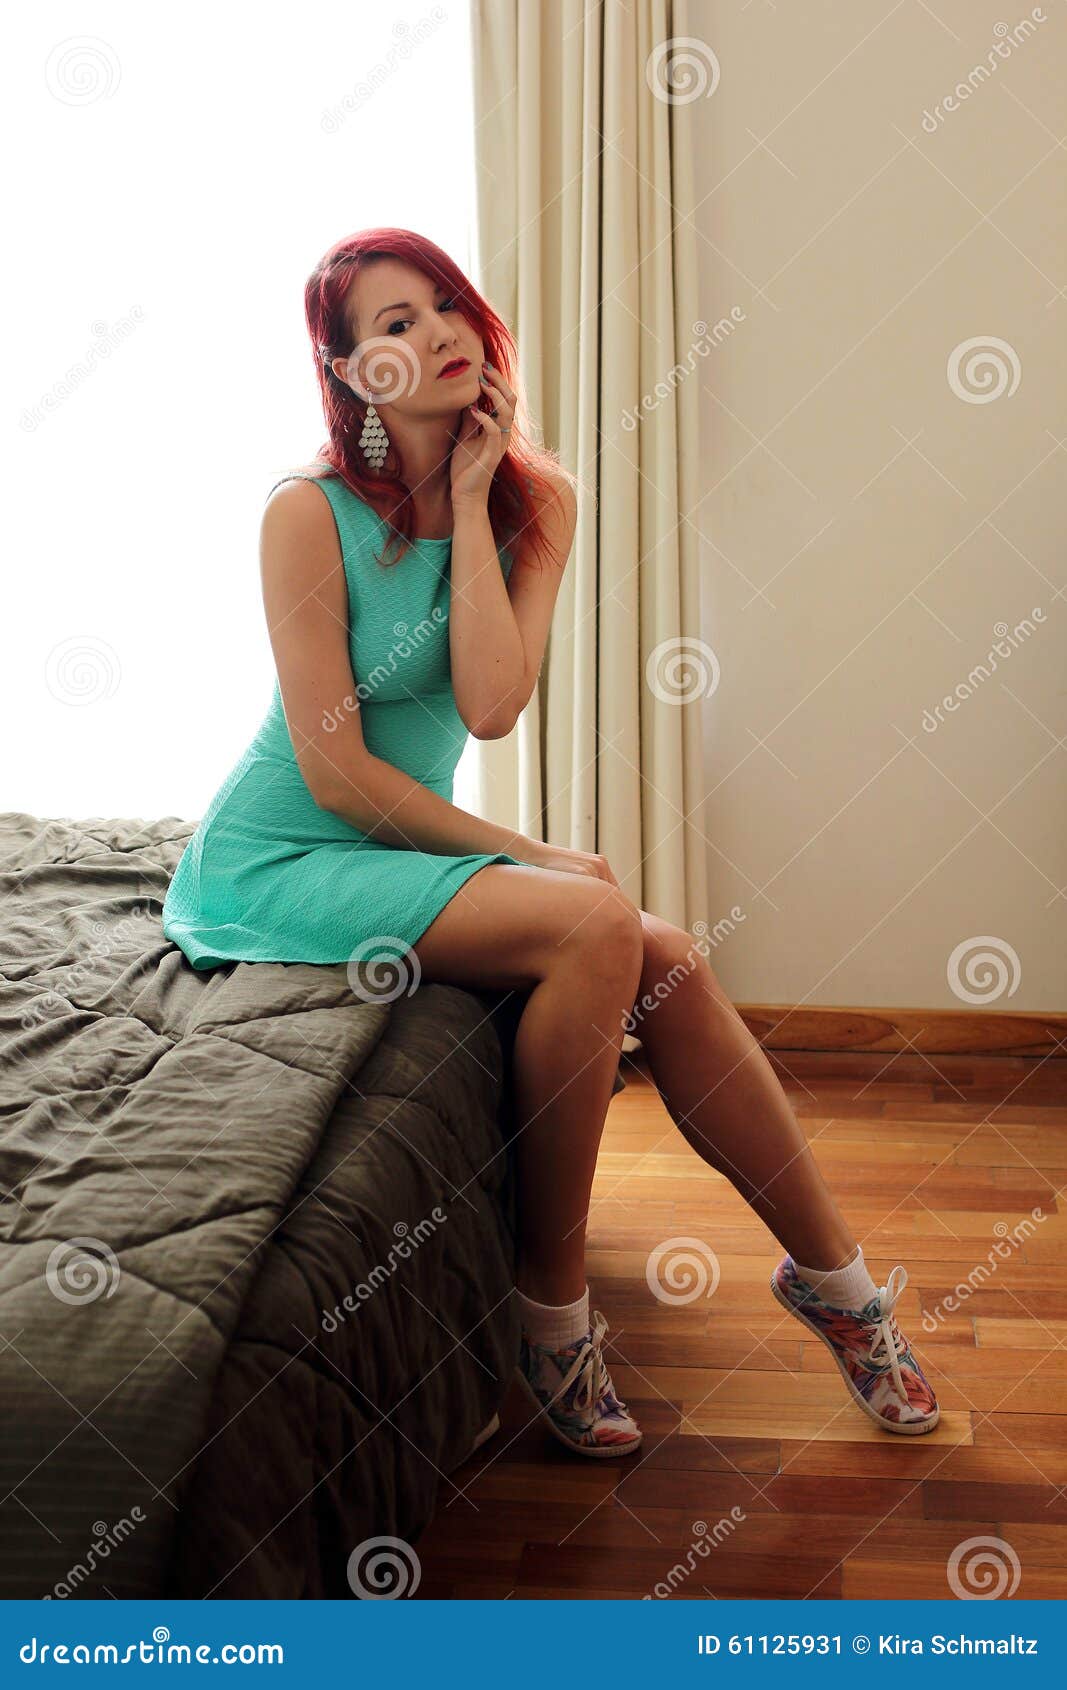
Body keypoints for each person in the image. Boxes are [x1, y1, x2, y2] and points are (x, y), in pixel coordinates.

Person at [163, 227, 940, 1459]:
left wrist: (471, 500)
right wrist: (527, 852)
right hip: (278, 859)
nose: (436, 334)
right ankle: (550, 1310)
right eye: (393, 326)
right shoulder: (302, 514)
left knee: (663, 955)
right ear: (349, 373)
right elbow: (333, 770)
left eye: (441, 304)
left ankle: (836, 1287)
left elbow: (487, 704)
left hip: (394, 848)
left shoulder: (539, 501)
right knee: (588, 915)